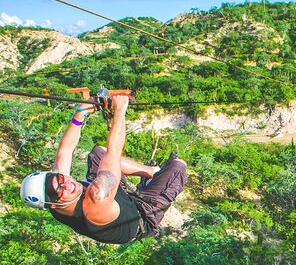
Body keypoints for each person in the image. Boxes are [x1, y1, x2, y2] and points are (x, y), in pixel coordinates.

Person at [20, 94, 187, 244]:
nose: (68, 183)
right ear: (53, 205)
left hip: (117, 199)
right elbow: (114, 152)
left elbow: (65, 151)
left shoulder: (56, 195)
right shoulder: (96, 197)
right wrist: (120, 110)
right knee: (178, 166)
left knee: (99, 153)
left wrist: (81, 112)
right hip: (141, 215)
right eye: (60, 189)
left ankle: (151, 173)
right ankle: (154, 182)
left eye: (61, 179)